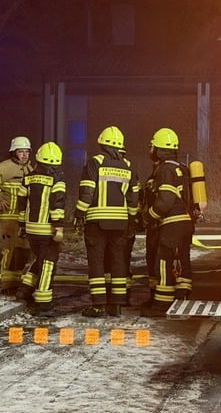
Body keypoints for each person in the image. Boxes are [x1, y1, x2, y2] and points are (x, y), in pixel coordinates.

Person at [74, 126, 140, 318]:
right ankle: (117, 305)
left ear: (102, 143)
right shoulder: (128, 165)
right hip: (121, 223)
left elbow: (87, 191)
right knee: (119, 262)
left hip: (97, 222)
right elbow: (133, 198)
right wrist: (132, 219)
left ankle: (98, 305)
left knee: (97, 264)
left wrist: (79, 213)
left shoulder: (95, 162)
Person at [142, 127, 194, 315]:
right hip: (186, 223)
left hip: (172, 223)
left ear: (159, 149)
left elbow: (165, 202)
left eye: (153, 147)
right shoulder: (182, 168)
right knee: (182, 260)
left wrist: (148, 217)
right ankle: (182, 298)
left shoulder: (165, 170)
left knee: (163, 262)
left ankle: (162, 305)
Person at [16, 141, 66, 316]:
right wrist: (59, 227)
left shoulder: (28, 178)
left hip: (31, 229)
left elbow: (21, 204)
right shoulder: (57, 179)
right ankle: (43, 303)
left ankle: (24, 289)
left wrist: (22, 226)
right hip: (47, 229)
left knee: (40, 259)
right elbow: (57, 204)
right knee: (48, 264)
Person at [0, 136, 35, 294]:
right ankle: (8, 285)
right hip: (8, 216)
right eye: (21, 152)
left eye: (26, 152)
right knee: (10, 250)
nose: (24, 155)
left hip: (23, 217)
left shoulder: (30, 169)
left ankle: (16, 281)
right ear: (13, 152)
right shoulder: (5, 167)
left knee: (23, 250)